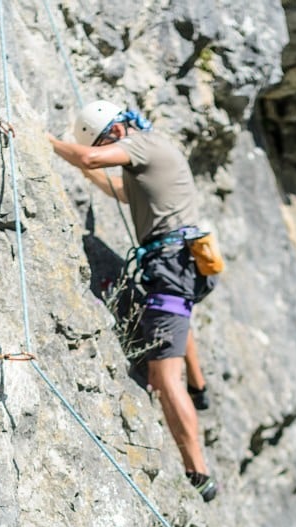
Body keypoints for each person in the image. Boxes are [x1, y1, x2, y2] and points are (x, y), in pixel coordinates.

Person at [48, 100, 217, 502]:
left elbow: (92, 157)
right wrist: (84, 168)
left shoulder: (142, 145)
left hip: (170, 269)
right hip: (182, 265)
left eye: (108, 142)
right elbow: (117, 188)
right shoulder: (151, 155)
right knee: (175, 316)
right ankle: (200, 387)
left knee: (161, 376)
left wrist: (49, 143)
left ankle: (198, 472)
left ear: (117, 133)